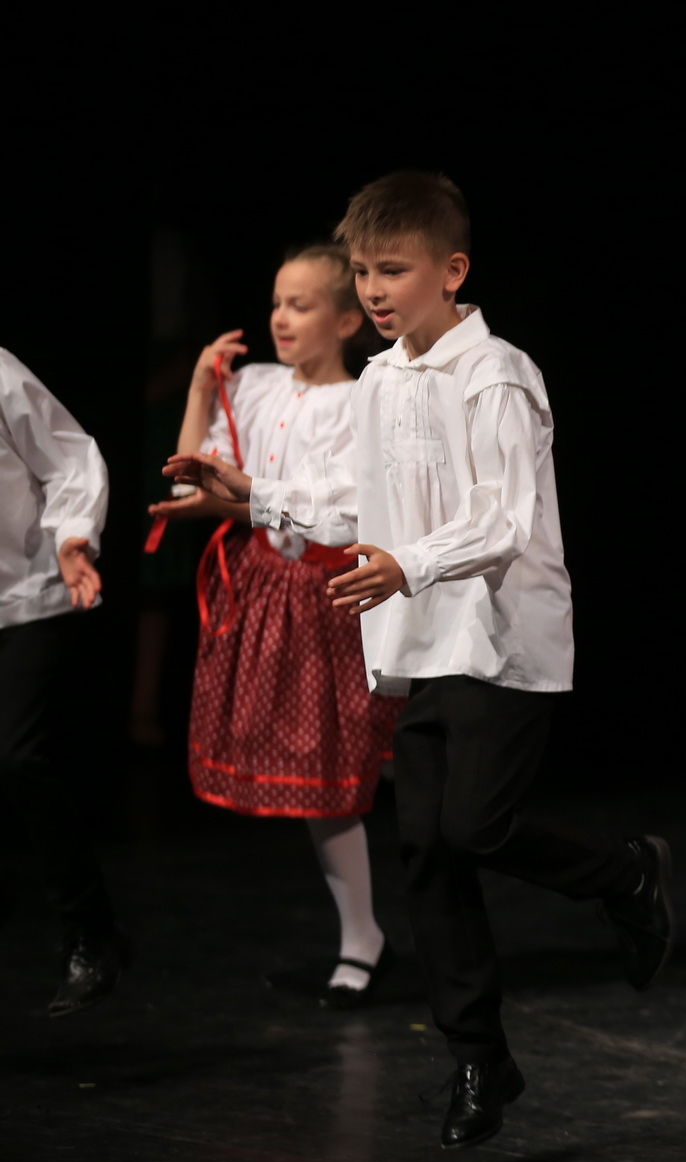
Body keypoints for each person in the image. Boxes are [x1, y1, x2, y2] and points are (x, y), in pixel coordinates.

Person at [167, 173, 673, 1152]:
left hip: (498, 633)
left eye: (392, 270)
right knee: (428, 851)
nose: (374, 290)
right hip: (414, 637)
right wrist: (252, 494)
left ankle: (625, 873)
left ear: (452, 270)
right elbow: (358, 499)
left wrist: (408, 562)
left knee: (475, 824)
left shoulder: (497, 375)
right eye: (362, 272)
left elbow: (502, 519)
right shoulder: (383, 379)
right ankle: (479, 1056)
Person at [147, 246, 403, 1007]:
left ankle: (376, 934)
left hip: (335, 596)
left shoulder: (361, 401)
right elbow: (197, 474)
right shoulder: (257, 385)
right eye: (276, 303)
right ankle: (362, 935)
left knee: (346, 775)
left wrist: (236, 500)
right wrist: (202, 386)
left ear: (347, 321)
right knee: (319, 783)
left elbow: (344, 507)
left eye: (302, 305)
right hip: (268, 592)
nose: (281, 319)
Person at [0, 349, 118, 1016]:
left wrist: (74, 537)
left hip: (26, 595)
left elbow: (69, 458)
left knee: (17, 755)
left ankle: (90, 930)